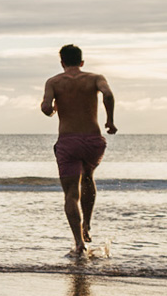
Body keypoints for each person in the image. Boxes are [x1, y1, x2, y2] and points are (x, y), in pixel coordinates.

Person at [41, 44, 117, 256]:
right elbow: (108, 95)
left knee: (71, 194)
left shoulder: (54, 82)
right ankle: (87, 225)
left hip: (68, 142)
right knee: (89, 178)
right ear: (81, 62)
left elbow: (46, 108)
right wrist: (110, 121)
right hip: (93, 140)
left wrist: (51, 108)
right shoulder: (95, 78)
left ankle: (79, 243)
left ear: (62, 62)